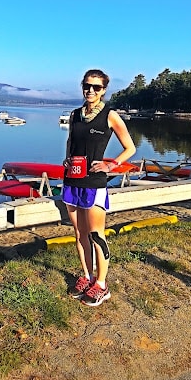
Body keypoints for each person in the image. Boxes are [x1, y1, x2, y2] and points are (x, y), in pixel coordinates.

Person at [62, 69, 136, 307]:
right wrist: (67, 159)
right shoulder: (75, 115)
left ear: (104, 90)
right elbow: (71, 142)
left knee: (96, 235)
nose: (90, 91)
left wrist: (110, 164)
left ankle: (102, 285)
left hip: (94, 184)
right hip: (72, 181)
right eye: (86, 86)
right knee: (79, 234)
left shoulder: (110, 115)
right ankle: (86, 276)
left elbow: (130, 148)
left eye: (96, 87)